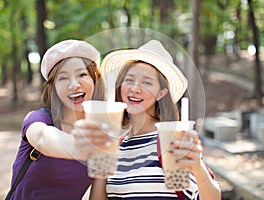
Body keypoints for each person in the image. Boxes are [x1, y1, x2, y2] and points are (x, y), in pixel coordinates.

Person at [89, 40, 221, 199]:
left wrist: (198, 166)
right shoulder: (115, 146)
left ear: (161, 93)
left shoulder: (171, 140)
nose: (135, 88)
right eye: (129, 80)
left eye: (146, 82)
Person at [7, 39, 112, 200]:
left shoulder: (101, 131)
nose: (74, 84)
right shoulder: (38, 119)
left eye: (82, 74)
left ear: (95, 80)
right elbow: (42, 138)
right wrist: (87, 147)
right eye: (63, 78)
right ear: (53, 87)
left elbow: (98, 194)